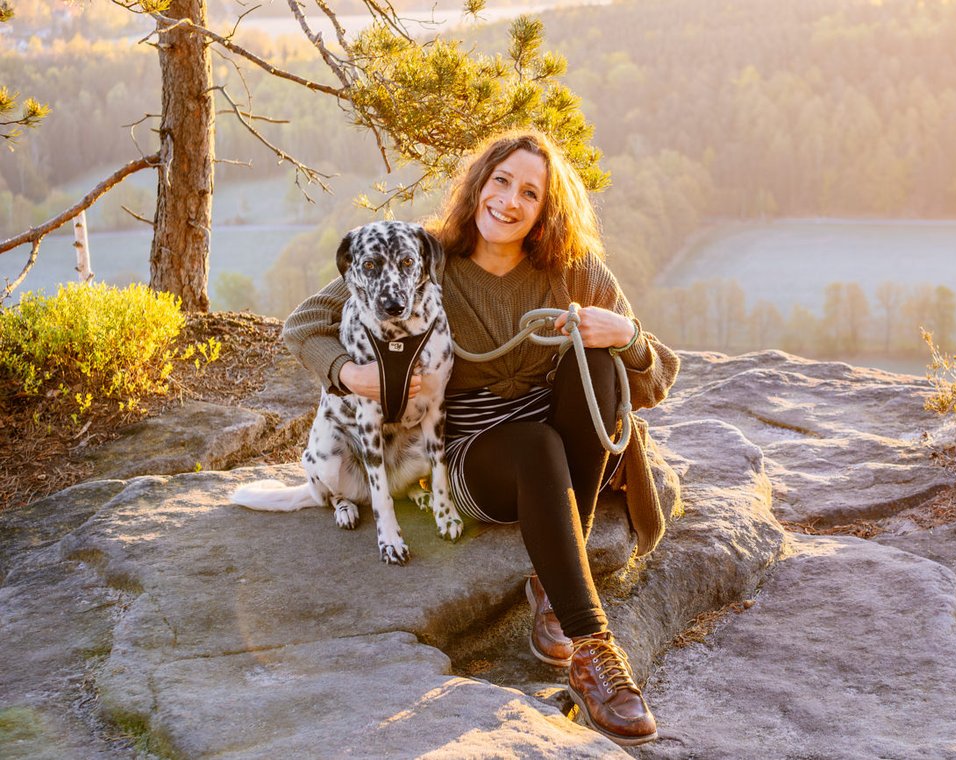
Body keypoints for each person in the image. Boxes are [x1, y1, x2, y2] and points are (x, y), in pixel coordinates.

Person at [282, 130, 680, 746]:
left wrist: (627, 336)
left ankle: (555, 576)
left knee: (597, 361)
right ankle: (592, 646)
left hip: (566, 451)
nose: (510, 201)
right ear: (478, 185)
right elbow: (305, 323)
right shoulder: (426, 254)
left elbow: (654, 382)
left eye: (530, 193)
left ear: (546, 211)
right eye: (501, 181)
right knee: (534, 446)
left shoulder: (571, 270)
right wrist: (350, 373)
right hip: (469, 454)